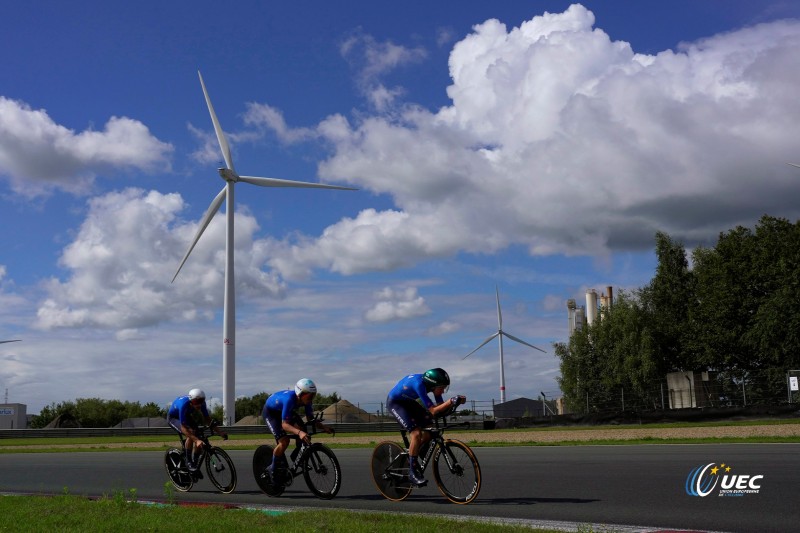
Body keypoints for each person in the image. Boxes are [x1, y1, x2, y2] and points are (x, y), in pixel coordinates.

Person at [386, 368, 466, 486]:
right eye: (442, 388)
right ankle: (413, 473)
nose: (443, 391)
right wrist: (450, 402)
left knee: (430, 427)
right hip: (395, 403)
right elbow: (433, 411)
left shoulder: (432, 386)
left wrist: (455, 403)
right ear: (433, 385)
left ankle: (417, 449)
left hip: (408, 401)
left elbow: (440, 408)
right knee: (416, 433)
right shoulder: (419, 385)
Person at [261, 378, 334, 480]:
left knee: (303, 430)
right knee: (284, 441)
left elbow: (310, 419)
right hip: (271, 414)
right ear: (300, 393)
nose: (311, 398)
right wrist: (299, 433)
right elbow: (285, 425)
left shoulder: (307, 401)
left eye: (313, 395)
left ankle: (296, 456)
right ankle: (272, 469)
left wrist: (324, 427)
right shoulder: (289, 400)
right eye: (309, 395)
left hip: (284, 411)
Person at [167, 388, 227, 471]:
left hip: (186, 415)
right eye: (196, 402)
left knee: (198, 435)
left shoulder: (202, 404)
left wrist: (220, 432)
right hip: (173, 418)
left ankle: (195, 462)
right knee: (191, 434)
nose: (199, 405)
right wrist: (196, 440)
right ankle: (189, 462)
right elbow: (184, 428)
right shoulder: (183, 405)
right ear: (191, 401)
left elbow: (208, 420)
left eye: (201, 401)